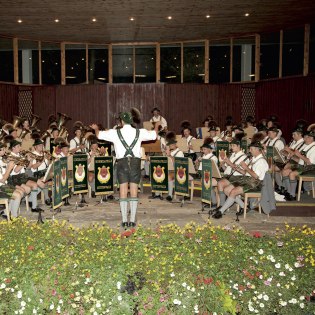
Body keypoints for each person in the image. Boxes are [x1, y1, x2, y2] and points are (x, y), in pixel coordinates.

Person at [91, 108, 160, 228]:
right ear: (131, 121)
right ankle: (132, 220)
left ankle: (124, 220)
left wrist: (96, 128)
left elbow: (98, 135)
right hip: (135, 163)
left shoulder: (115, 133)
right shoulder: (140, 132)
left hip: (122, 163)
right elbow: (154, 136)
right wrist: (157, 126)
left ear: (122, 121)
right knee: (134, 190)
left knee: (122, 191)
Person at [212, 141, 269, 219]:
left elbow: (256, 176)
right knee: (226, 190)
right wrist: (238, 168)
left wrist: (246, 167)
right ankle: (244, 206)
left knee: (233, 191)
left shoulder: (261, 161)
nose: (250, 151)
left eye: (251, 149)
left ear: (257, 150)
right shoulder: (254, 159)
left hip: (256, 183)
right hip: (248, 180)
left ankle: (221, 211)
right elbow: (245, 173)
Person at [282, 131, 315, 201]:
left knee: (292, 174)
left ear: (311, 138)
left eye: (306, 137)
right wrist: (292, 155)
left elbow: (309, 162)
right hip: (302, 166)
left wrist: (299, 155)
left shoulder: (314, 148)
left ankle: (292, 195)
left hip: (311, 168)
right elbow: (300, 159)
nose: (304, 139)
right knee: (285, 171)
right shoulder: (308, 146)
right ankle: (288, 191)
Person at [164, 131, 184, 202]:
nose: (171, 145)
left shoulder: (180, 152)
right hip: (170, 170)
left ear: (175, 144)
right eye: (169, 144)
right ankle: (157, 193)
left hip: (179, 172)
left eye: (172, 144)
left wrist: (169, 156)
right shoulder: (171, 152)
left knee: (169, 176)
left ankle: (170, 195)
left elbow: (179, 164)